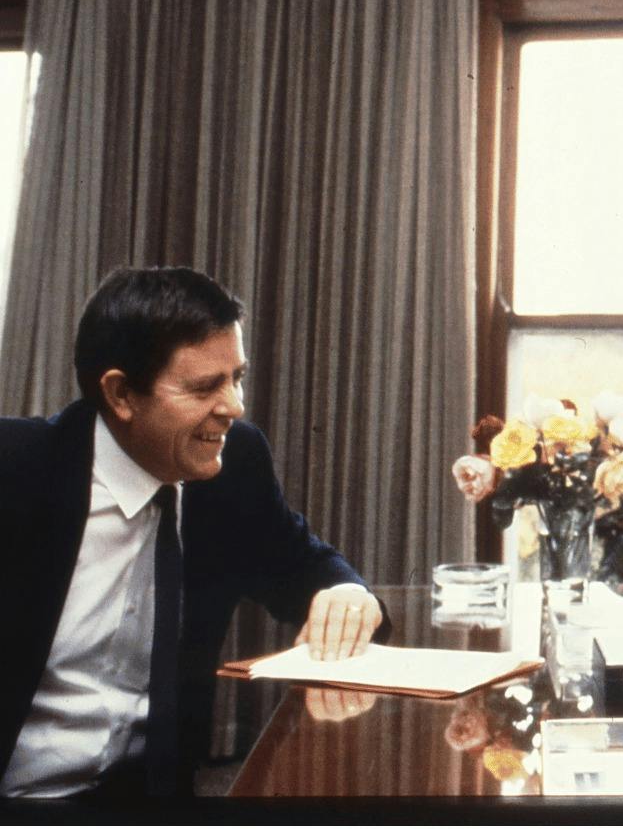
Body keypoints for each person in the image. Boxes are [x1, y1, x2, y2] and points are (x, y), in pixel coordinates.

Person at [0, 266, 386, 798]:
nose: (234, 406)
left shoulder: (235, 463)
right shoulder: (14, 472)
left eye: (237, 377)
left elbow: (299, 563)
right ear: (120, 394)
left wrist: (345, 591)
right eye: (206, 386)